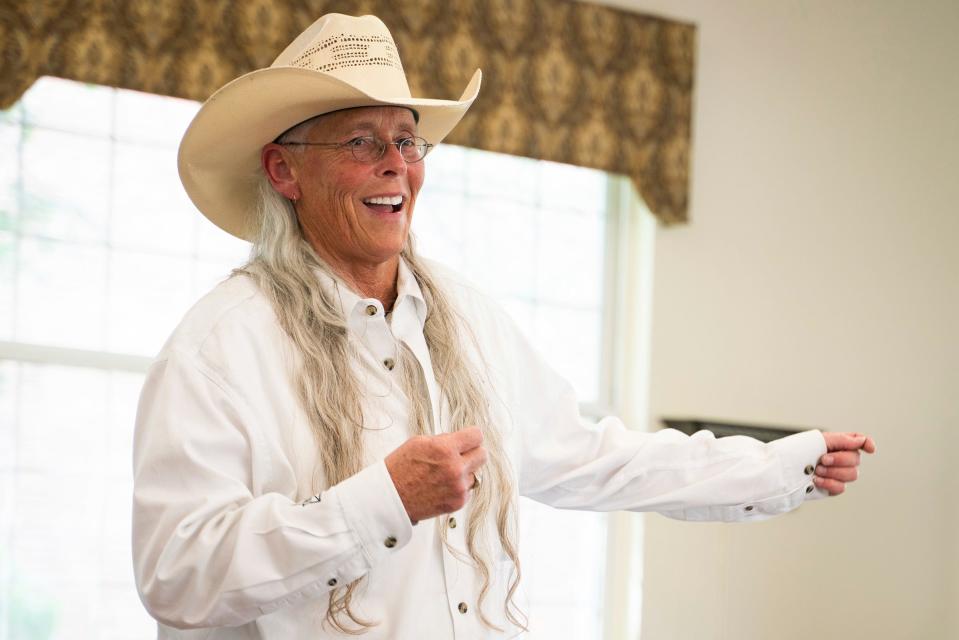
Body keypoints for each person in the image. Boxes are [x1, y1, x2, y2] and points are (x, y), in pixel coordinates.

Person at [132, 13, 876, 639]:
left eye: (407, 140)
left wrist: (782, 468)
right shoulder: (219, 346)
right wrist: (385, 500)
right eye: (361, 142)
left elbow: (589, 457)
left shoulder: (467, 317)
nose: (397, 165)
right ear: (283, 172)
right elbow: (176, 573)